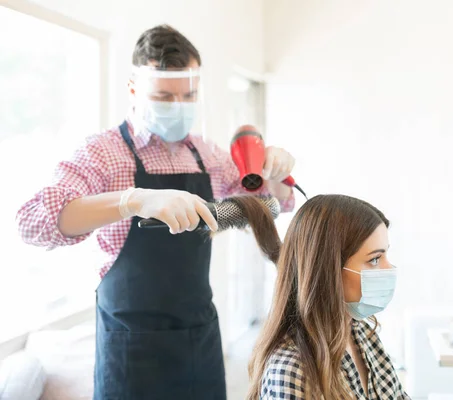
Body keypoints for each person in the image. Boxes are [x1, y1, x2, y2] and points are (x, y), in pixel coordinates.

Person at [15, 24, 295, 400]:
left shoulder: (208, 155)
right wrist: (131, 200)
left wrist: (276, 173)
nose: (179, 107)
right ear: (134, 89)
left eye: (189, 95)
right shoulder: (103, 154)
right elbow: (33, 222)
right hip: (130, 354)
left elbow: (267, 206)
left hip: (200, 341)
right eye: (164, 96)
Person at [230, 195, 411, 400]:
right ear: (328, 269)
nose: (390, 269)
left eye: (386, 255)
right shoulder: (291, 370)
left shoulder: (361, 333)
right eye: (375, 259)